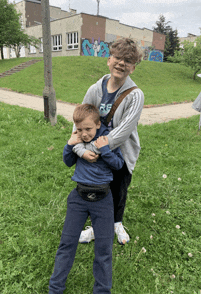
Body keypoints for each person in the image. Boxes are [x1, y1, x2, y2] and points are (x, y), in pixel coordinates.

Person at [73, 38, 144, 245]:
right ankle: (96, 227)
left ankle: (117, 223)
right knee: (98, 188)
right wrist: (78, 147)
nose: (121, 63)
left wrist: (94, 147)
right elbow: (81, 117)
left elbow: (122, 133)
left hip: (121, 152)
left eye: (128, 60)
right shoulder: (95, 89)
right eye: (118, 57)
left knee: (119, 189)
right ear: (109, 59)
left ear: (133, 67)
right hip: (94, 150)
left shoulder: (136, 95)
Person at [48, 104, 124, 294]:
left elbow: (118, 165)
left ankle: (102, 290)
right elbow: (67, 162)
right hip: (78, 198)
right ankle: (55, 289)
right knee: (67, 244)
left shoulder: (107, 140)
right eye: (79, 129)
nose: (84, 134)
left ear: (98, 125)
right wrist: (69, 144)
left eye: (88, 129)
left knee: (104, 249)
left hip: (103, 199)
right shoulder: (77, 142)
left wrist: (105, 150)